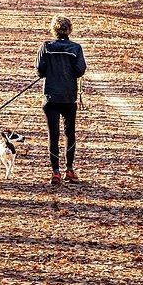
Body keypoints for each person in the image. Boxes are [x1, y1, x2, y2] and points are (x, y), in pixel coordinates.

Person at [36, 14, 86, 186]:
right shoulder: (75, 48)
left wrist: (50, 70)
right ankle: (70, 170)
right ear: (69, 29)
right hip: (69, 97)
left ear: (54, 30)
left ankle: (55, 172)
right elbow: (80, 70)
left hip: (50, 97)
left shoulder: (46, 47)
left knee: (53, 134)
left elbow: (40, 70)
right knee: (69, 134)